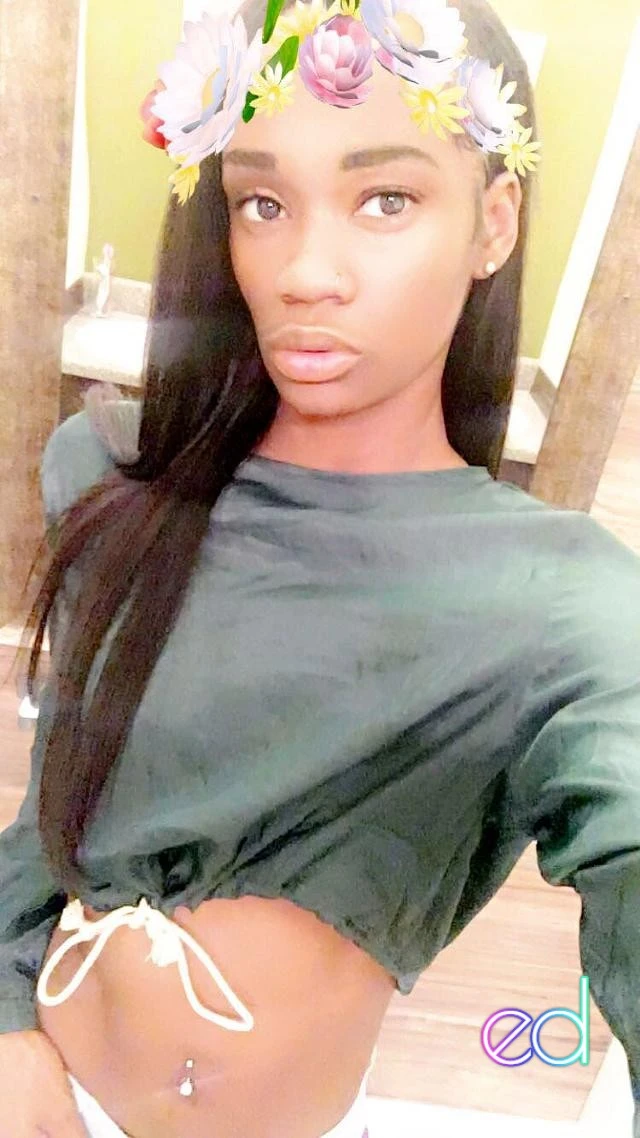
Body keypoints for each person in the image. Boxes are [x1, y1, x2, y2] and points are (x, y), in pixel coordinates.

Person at [0, 0, 638, 1135]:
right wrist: (5, 1028)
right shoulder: (113, 480)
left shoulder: (558, 605)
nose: (306, 271)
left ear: (492, 224)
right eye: (263, 203)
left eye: (385, 198)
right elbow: (55, 812)